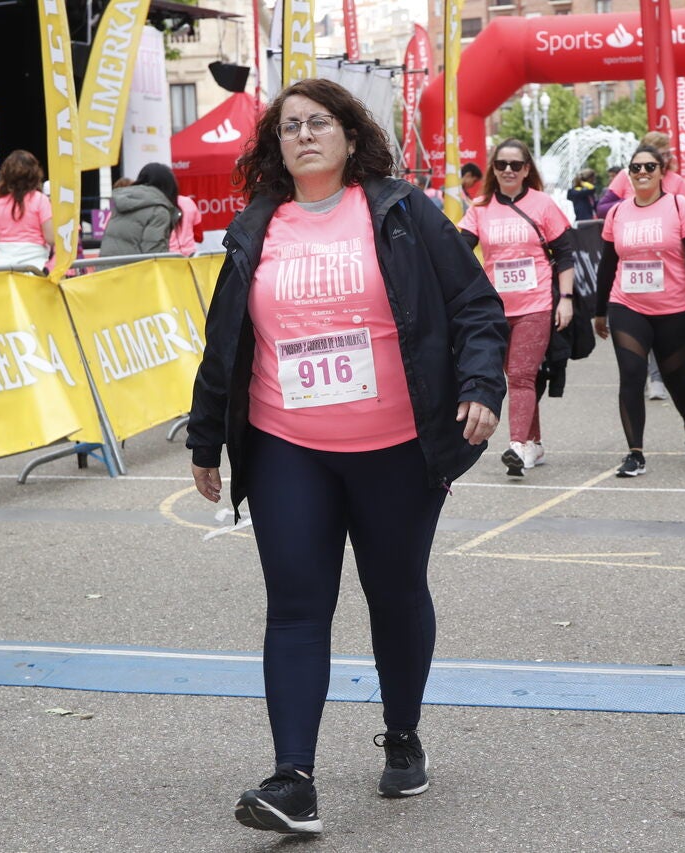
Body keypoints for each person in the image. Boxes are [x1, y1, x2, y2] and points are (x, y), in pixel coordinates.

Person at [186, 78, 507, 836]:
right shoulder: (256, 226)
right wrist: (206, 435)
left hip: (396, 446)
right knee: (297, 606)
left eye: (319, 122)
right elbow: (225, 339)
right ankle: (292, 780)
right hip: (286, 446)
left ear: (351, 136)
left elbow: (475, 306)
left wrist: (480, 384)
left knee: (394, 593)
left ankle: (402, 733)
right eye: (289, 126)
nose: (303, 134)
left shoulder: (400, 212)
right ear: (276, 147)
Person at [594, 145, 685, 477]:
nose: (642, 172)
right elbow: (607, 265)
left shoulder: (678, 206)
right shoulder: (617, 213)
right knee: (631, 374)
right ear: (628, 174)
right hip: (627, 305)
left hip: (675, 308)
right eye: (636, 167)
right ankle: (635, 453)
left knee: (676, 380)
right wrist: (599, 310)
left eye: (650, 166)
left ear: (662, 172)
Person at [460, 138, 575, 476]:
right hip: (494, 309)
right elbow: (459, 249)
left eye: (515, 165)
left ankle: (516, 447)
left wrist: (566, 300)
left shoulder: (543, 204)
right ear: (493, 169)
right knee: (515, 376)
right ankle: (534, 443)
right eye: (501, 164)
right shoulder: (480, 206)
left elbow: (565, 254)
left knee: (522, 376)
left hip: (535, 305)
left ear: (527, 170)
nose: (508, 170)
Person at [595, 131, 685, 217]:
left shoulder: (676, 180)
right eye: (661, 155)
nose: (666, 160)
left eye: (668, 154)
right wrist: (633, 202)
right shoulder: (626, 175)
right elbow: (601, 209)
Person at [0, 149, 54, 269]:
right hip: (34, 266)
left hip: (1, 266)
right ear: (34, 174)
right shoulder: (40, 200)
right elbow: (50, 237)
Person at [99, 162, 180, 257]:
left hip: (107, 264)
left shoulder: (122, 202)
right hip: (135, 266)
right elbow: (154, 254)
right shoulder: (159, 211)